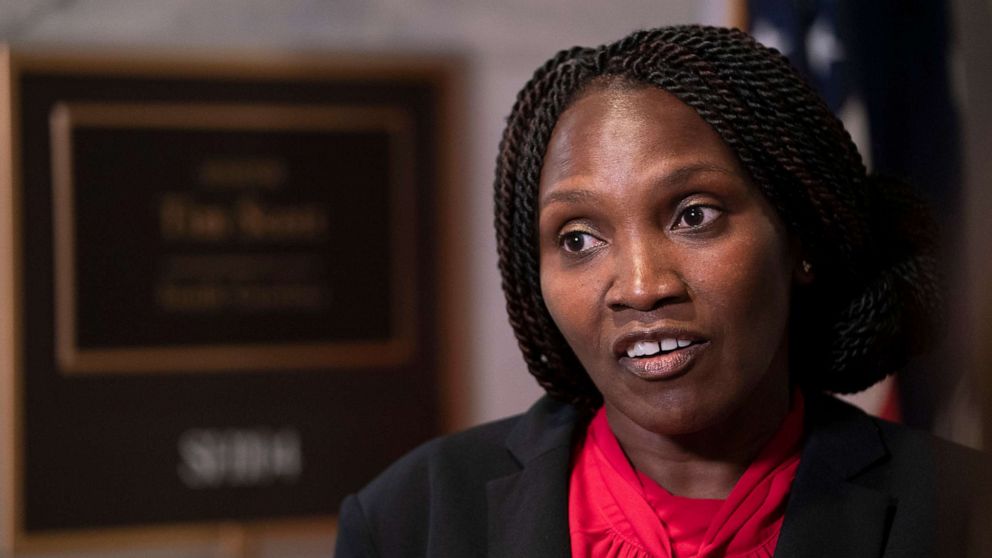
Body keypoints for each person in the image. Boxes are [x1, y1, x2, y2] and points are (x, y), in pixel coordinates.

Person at [334, 25, 990, 557]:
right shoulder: (409, 520)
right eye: (578, 239)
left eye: (694, 215)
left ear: (801, 240)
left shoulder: (962, 514)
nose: (642, 288)